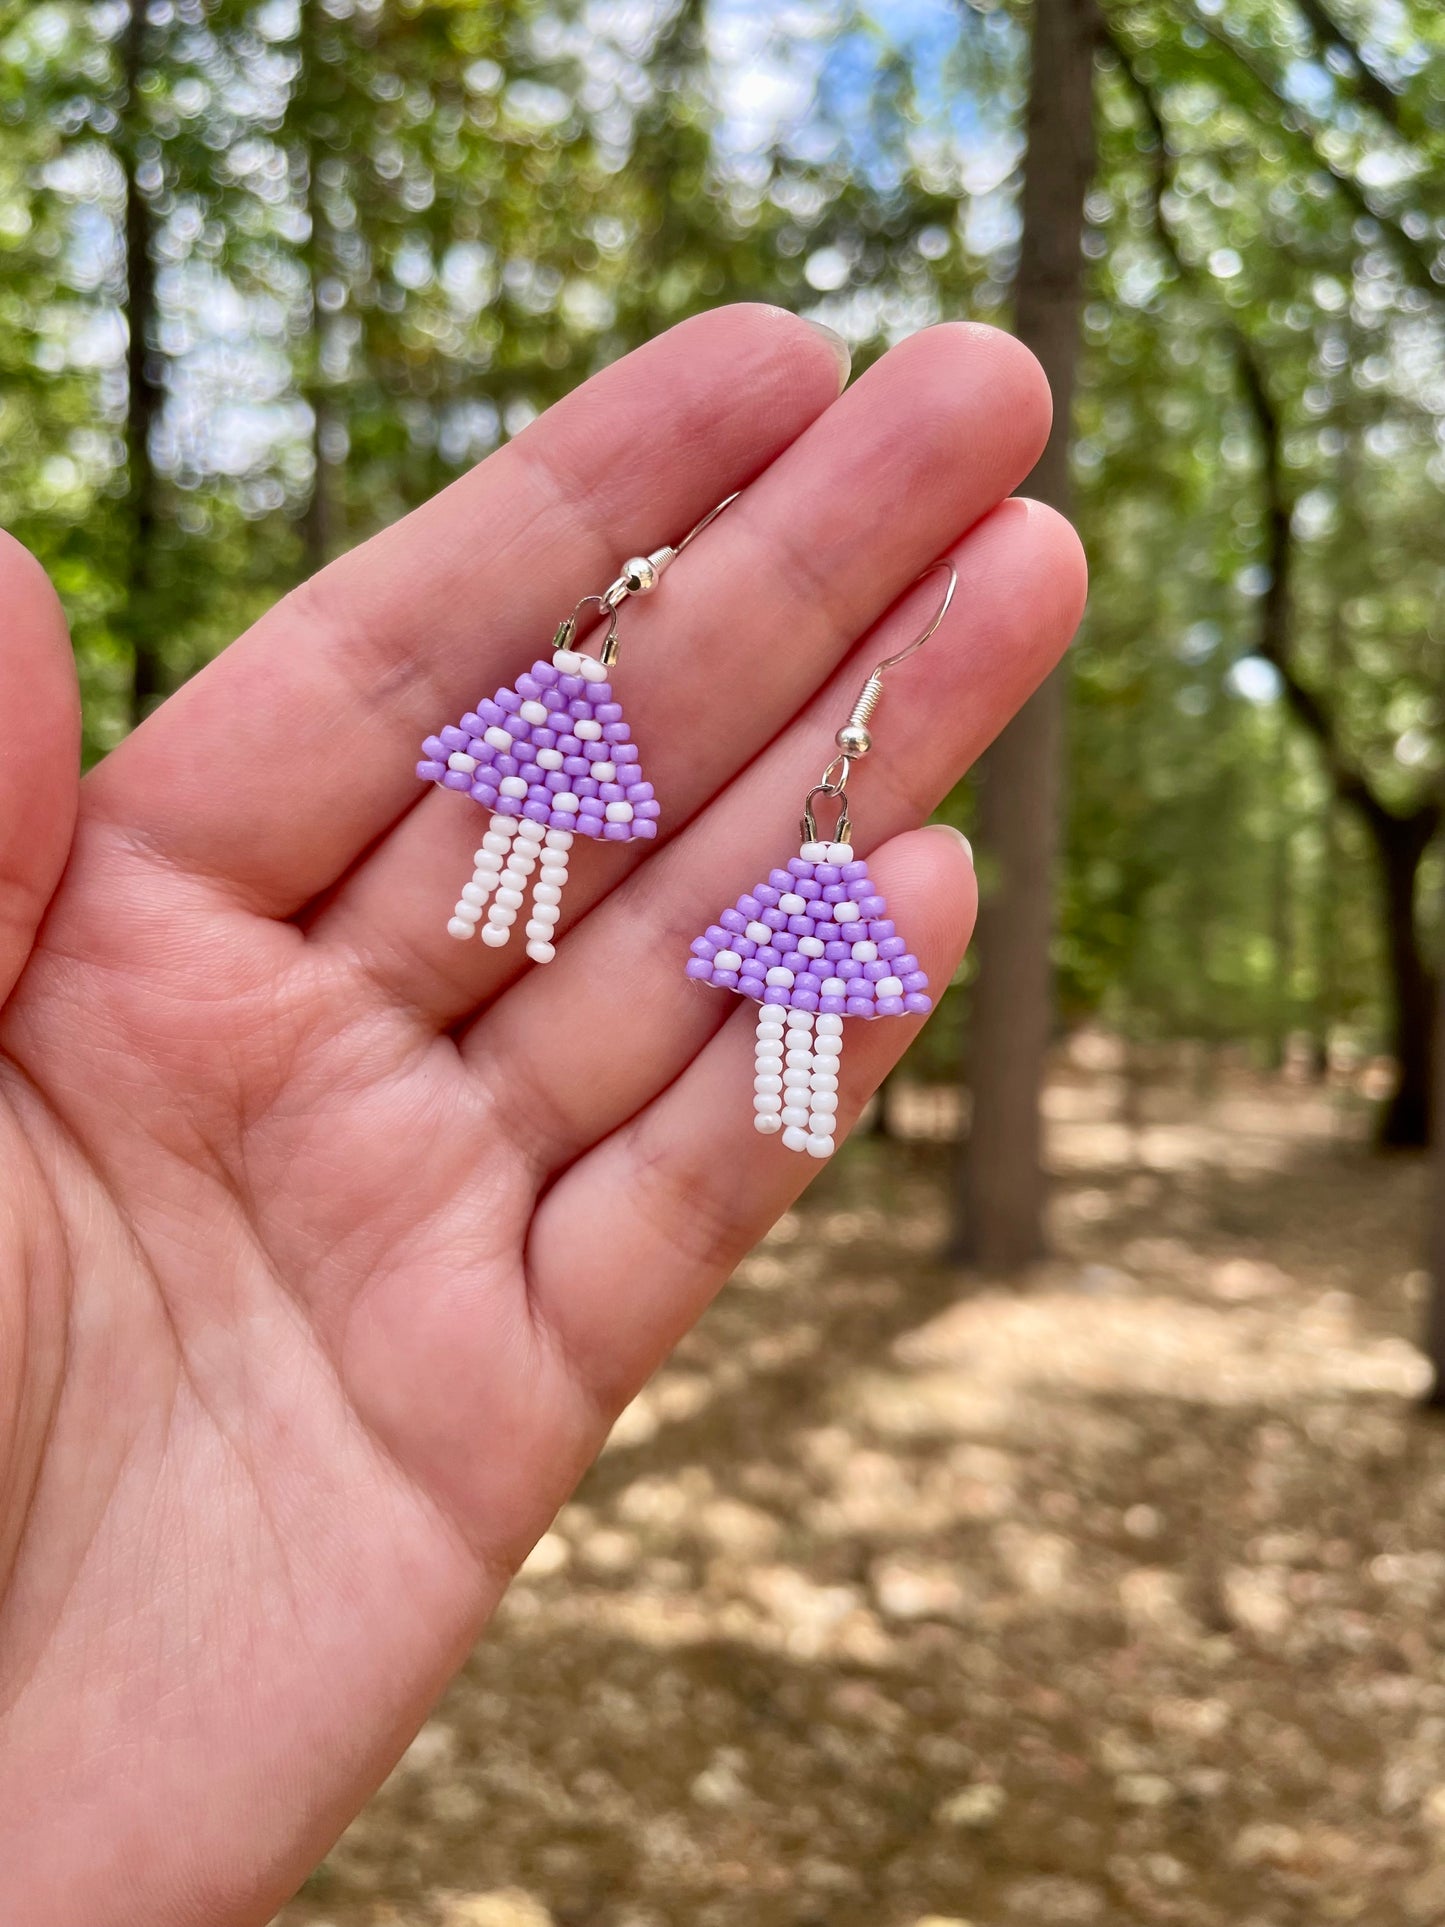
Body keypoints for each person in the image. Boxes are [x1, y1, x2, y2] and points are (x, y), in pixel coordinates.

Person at [0, 304, 1084, 1925]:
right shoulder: (563, 697)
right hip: (577, 796)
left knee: (718, 1007)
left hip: (699, 853)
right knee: (533, 882)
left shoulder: (652, 754)